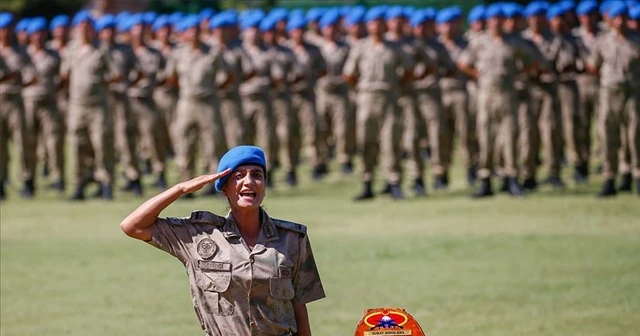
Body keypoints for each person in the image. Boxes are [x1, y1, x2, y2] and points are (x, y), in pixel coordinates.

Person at [120, 145, 325, 336]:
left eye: (257, 175)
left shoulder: (292, 239)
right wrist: (181, 189)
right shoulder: (198, 235)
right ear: (225, 188)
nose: (249, 181)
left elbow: (299, 306)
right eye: (238, 175)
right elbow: (133, 226)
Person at [587, 2, 640, 196]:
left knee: (635, 135)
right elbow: (593, 65)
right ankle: (609, 177)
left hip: (633, 92)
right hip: (609, 92)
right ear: (609, 20)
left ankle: (636, 175)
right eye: (616, 18)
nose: (619, 22)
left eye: (623, 18)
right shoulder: (603, 41)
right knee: (608, 135)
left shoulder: (637, 39)